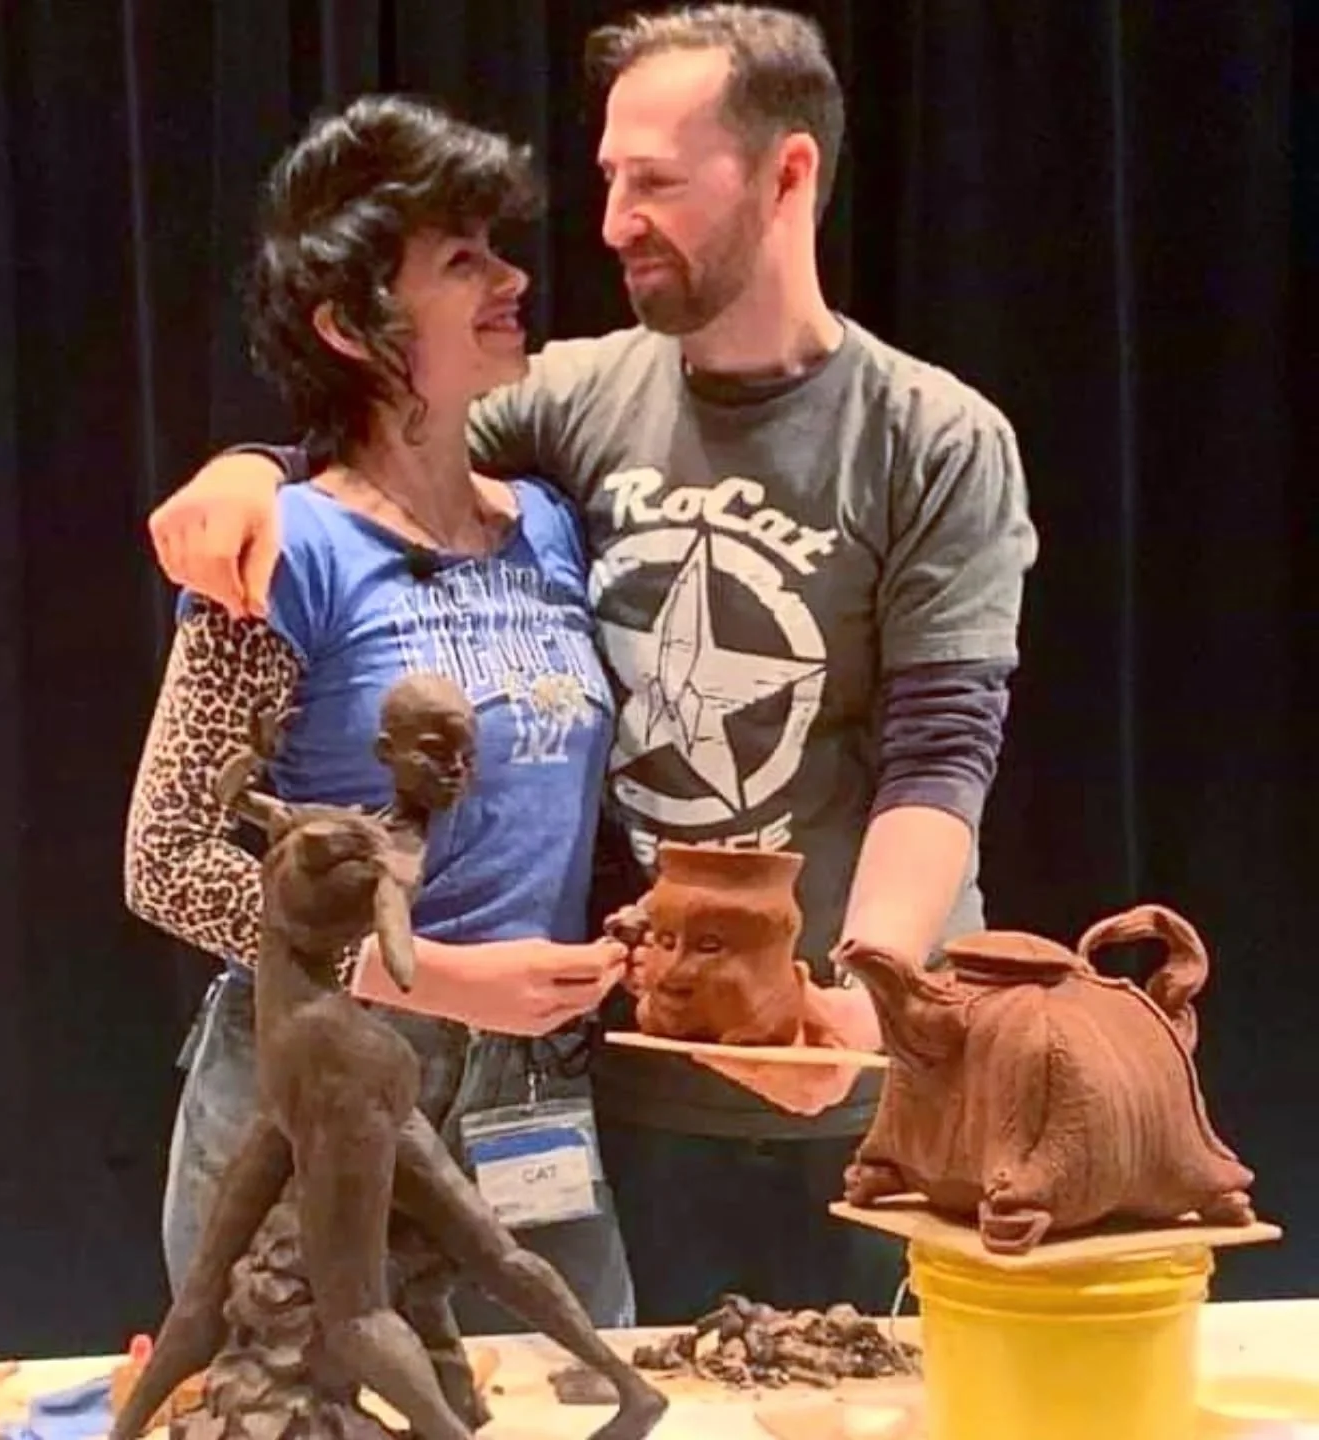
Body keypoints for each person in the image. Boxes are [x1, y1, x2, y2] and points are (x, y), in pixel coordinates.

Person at [144, 3, 1040, 1322]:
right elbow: (376, 442)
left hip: (848, 1069)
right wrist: (249, 471)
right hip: (608, 1081)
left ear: (787, 173)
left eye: (655, 182)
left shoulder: (927, 437)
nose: (611, 222)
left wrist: (860, 998)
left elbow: (940, 758)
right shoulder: (566, 405)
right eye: (610, 177)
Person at [123, 92, 638, 1331]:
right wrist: (438, 977)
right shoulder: (281, 552)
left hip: (529, 1095)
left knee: (575, 1391)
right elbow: (165, 859)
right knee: (301, 1398)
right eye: (463, 262)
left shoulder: (548, 525)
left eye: (496, 249)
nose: (513, 280)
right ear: (352, 325)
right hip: (322, 1076)